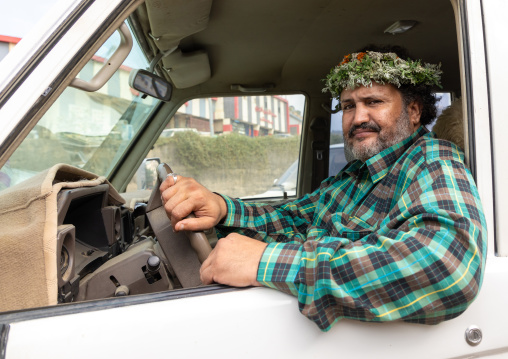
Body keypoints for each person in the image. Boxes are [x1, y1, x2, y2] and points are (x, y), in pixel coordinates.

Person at [160, 47, 487, 331]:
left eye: (374, 102)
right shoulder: (355, 175)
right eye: (348, 106)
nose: (358, 118)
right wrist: (221, 208)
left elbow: (444, 266)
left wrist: (266, 262)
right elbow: (293, 219)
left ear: (414, 111)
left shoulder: (432, 161)